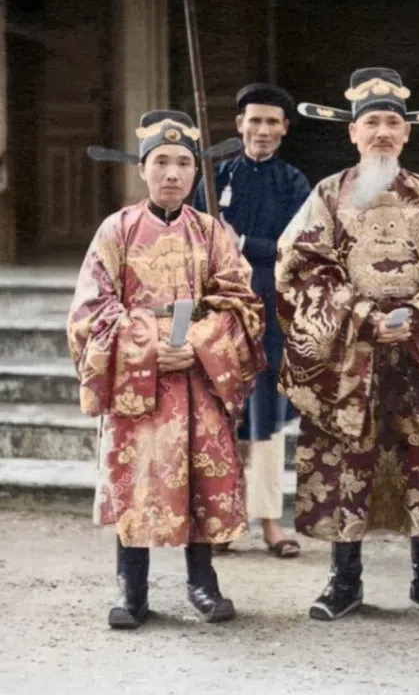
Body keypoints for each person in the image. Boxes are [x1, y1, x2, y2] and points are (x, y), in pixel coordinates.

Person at [276, 67, 419, 621]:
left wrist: (415, 315)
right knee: (349, 457)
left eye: (393, 121)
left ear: (408, 133)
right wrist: (364, 316)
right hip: (351, 356)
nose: (383, 132)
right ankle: (344, 581)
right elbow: (301, 268)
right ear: (352, 132)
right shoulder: (327, 195)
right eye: (371, 122)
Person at [67, 110, 265, 629]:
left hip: (199, 379)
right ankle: (132, 591)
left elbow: (241, 302)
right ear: (143, 169)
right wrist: (151, 345)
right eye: (161, 162)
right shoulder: (118, 230)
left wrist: (199, 343)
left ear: (197, 173)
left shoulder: (213, 233)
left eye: (183, 163)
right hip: (140, 382)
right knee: (136, 479)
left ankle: (203, 584)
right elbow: (92, 309)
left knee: (199, 479)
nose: (172, 174)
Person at [195, 83, 310, 557]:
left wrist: (241, 243)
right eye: (254, 120)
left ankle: (270, 522)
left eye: (271, 122)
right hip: (221, 309)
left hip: (272, 309)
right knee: (221, 413)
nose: (261, 130)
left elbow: (295, 246)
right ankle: (222, 519)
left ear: (284, 129)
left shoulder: (294, 182)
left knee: (265, 417)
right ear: (239, 124)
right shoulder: (213, 175)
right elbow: (200, 239)